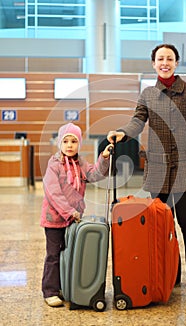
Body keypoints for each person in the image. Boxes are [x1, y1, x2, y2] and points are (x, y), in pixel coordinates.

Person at [107, 44, 186, 293]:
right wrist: (123, 133)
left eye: (169, 58)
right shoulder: (147, 94)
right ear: (153, 63)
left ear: (176, 62)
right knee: (161, 224)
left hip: (185, 169)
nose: (165, 62)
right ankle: (169, 273)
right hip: (157, 170)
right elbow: (137, 121)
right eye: (160, 59)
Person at [41, 122, 112, 307]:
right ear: (60, 144)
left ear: (79, 144)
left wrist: (104, 157)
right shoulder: (54, 164)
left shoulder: (80, 163)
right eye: (66, 141)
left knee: (69, 253)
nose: (70, 145)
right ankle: (50, 291)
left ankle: (65, 287)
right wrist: (69, 212)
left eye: (74, 141)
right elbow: (53, 193)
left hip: (73, 220)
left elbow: (95, 174)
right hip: (55, 220)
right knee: (54, 255)